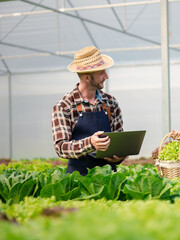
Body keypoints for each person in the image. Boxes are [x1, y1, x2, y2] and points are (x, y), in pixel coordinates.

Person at [51, 46, 125, 176]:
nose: (106, 76)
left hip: (109, 180)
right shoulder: (64, 106)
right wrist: (90, 143)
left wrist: (120, 156)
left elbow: (118, 141)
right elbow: (61, 148)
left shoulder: (111, 102)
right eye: (102, 73)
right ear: (86, 78)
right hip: (79, 180)